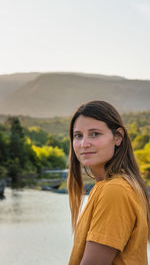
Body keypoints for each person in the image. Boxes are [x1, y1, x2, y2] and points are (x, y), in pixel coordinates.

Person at [67, 100, 150, 265]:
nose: (84, 144)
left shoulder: (116, 190)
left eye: (95, 134)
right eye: (78, 136)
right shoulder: (105, 187)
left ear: (117, 137)